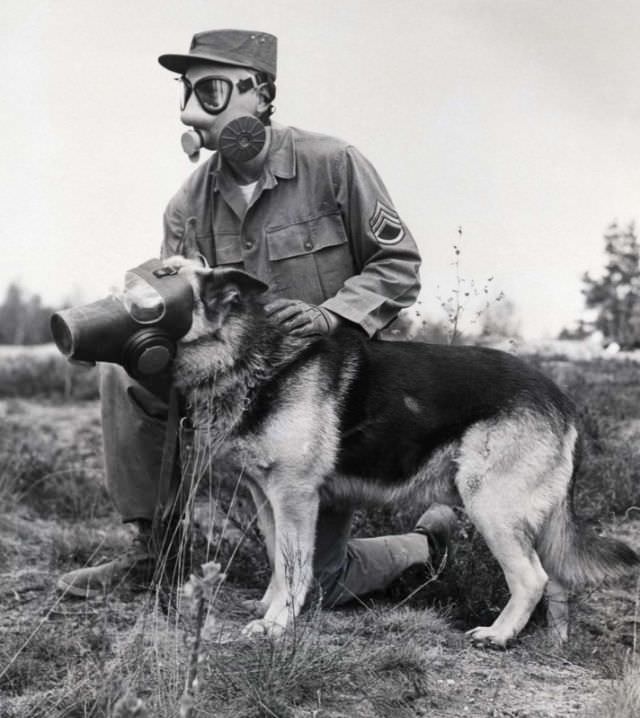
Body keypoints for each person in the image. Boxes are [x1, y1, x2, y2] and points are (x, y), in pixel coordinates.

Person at [57, 29, 457, 609]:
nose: (196, 110)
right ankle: (155, 550)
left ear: (260, 94)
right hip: (230, 392)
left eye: (213, 91)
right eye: (188, 93)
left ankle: (421, 545)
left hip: (325, 399)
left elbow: (398, 266)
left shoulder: (334, 165)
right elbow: (172, 311)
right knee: (121, 371)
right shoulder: (187, 204)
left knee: (312, 585)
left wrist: (332, 317)